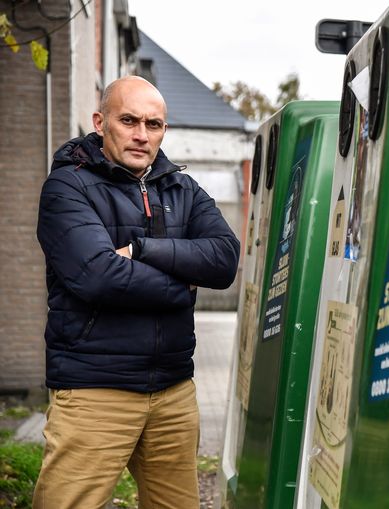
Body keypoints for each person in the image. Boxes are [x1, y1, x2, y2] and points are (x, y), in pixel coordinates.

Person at [33, 76, 240, 508]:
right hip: (95, 391)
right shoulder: (68, 187)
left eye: (155, 124)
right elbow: (98, 275)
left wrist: (144, 249)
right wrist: (182, 286)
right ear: (100, 121)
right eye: (129, 120)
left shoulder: (181, 188)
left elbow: (223, 259)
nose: (142, 134)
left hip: (173, 390)